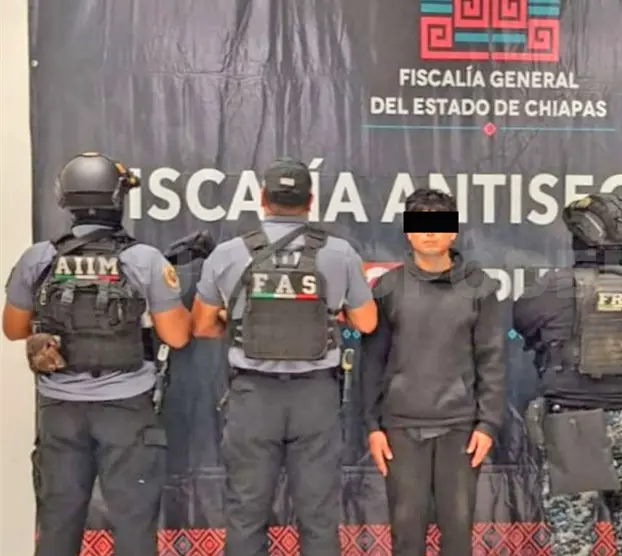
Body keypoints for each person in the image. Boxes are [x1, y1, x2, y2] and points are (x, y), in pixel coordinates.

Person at [2, 152, 192, 556]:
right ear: (118, 198)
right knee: (134, 525)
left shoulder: (39, 258)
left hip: (59, 411)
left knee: (57, 522)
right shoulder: (143, 260)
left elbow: (13, 329)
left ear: (65, 199)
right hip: (127, 412)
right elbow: (177, 337)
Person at [190, 157, 377, 556]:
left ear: (262, 198)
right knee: (319, 517)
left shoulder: (228, 254)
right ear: (310, 201)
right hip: (315, 399)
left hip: (253, 398)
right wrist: (330, 314)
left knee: (246, 514)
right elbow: (367, 322)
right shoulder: (339, 253)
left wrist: (232, 321)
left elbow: (201, 326)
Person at [513, 192, 622, 556]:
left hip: (575, 427)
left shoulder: (550, 289)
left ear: (579, 235)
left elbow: (523, 326)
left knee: (572, 542)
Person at [360, 188, 506, 556]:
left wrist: (487, 424)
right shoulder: (387, 288)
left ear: (452, 231)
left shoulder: (478, 286)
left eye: (438, 224)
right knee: (406, 535)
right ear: (408, 232)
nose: (429, 232)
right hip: (401, 428)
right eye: (420, 224)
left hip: (460, 428)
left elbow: (491, 359)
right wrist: (373, 426)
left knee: (457, 535)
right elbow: (372, 361)